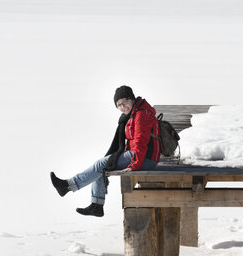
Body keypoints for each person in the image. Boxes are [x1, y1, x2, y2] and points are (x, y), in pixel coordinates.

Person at [50, 85, 161, 217]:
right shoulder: (134, 113)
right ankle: (96, 205)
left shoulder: (141, 114)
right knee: (103, 164)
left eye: (124, 102)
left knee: (102, 164)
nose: (122, 107)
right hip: (141, 156)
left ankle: (68, 186)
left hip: (146, 158)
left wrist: (134, 165)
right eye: (118, 105)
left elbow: (140, 142)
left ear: (131, 99)